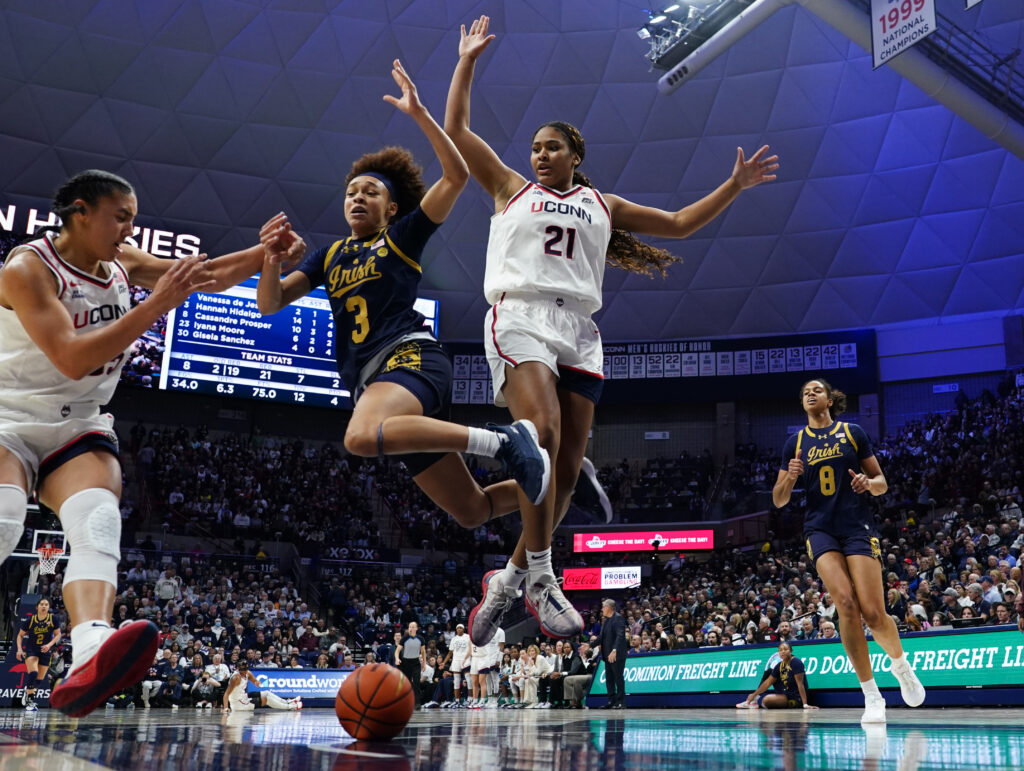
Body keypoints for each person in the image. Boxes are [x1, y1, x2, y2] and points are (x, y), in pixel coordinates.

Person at [446, 16, 779, 644]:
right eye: (535, 147)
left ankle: (510, 581)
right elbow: (459, 130)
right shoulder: (509, 188)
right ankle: (544, 576)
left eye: (552, 147)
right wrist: (466, 63)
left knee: (566, 473)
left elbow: (679, 223)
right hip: (520, 315)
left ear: (576, 156)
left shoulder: (601, 205)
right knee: (539, 436)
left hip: (580, 332)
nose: (539, 155)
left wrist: (733, 186)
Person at [0, 170, 295, 717]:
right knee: (5, 514)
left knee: (98, 520)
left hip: (78, 421)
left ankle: (89, 651)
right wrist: (156, 304)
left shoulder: (121, 263)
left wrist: (265, 251)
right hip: (8, 418)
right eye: (122, 216)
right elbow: (72, 356)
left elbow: (202, 276)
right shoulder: (27, 268)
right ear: (81, 212)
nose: (131, 228)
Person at [256, 61, 549, 541]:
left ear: (391, 208)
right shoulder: (330, 255)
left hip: (409, 358)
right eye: (350, 192)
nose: (356, 197)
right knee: (472, 510)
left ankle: (501, 441)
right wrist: (271, 259)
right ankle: (562, 479)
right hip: (378, 384)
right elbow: (271, 304)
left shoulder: (401, 236)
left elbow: (455, 175)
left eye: (370, 192)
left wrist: (419, 114)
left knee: (357, 437)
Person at [772, 378, 925, 723]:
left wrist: (867, 484)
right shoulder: (794, 443)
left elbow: (881, 483)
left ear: (829, 399)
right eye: (805, 392)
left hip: (857, 525)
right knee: (844, 602)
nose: (810, 394)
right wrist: (790, 478)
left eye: (816, 390)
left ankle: (900, 666)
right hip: (819, 529)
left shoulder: (853, 432)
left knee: (873, 612)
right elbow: (778, 499)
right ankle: (872, 695)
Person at [736, 642, 816, 710]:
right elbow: (768, 683)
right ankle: (753, 701)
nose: (783, 652)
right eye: (780, 650)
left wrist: (805, 704)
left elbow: (800, 684)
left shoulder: (796, 662)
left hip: (796, 698)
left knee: (766, 700)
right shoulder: (780, 665)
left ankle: (762, 703)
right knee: (769, 672)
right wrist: (754, 694)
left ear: (791, 651)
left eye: (785, 649)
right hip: (786, 693)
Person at [16, 598, 61, 711]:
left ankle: (27, 693)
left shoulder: (53, 619)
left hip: (45, 651)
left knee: (39, 680)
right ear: (37, 607)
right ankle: (30, 701)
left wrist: (49, 645)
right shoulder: (30, 620)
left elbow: (58, 634)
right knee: (33, 672)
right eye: (42, 604)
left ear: (48, 607)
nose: (44, 606)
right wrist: (19, 649)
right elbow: (20, 635)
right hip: (32, 650)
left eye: (46, 604)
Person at [223, 660, 301, 712]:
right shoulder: (236, 678)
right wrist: (226, 708)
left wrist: (258, 683)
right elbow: (226, 694)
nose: (245, 671)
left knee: (266, 692)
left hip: (243, 696)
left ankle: (287, 701)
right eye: (243, 670)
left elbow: (255, 682)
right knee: (265, 699)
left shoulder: (248, 673)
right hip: (238, 703)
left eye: (246, 669)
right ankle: (290, 706)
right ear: (238, 669)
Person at [598, 598, 628, 709]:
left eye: (603, 606)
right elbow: (601, 637)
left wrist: (614, 650)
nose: (602, 609)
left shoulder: (618, 618)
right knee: (609, 679)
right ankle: (611, 700)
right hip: (607, 655)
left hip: (617, 654)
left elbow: (620, 635)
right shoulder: (606, 621)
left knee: (618, 677)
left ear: (609, 607)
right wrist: (589, 645)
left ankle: (621, 702)